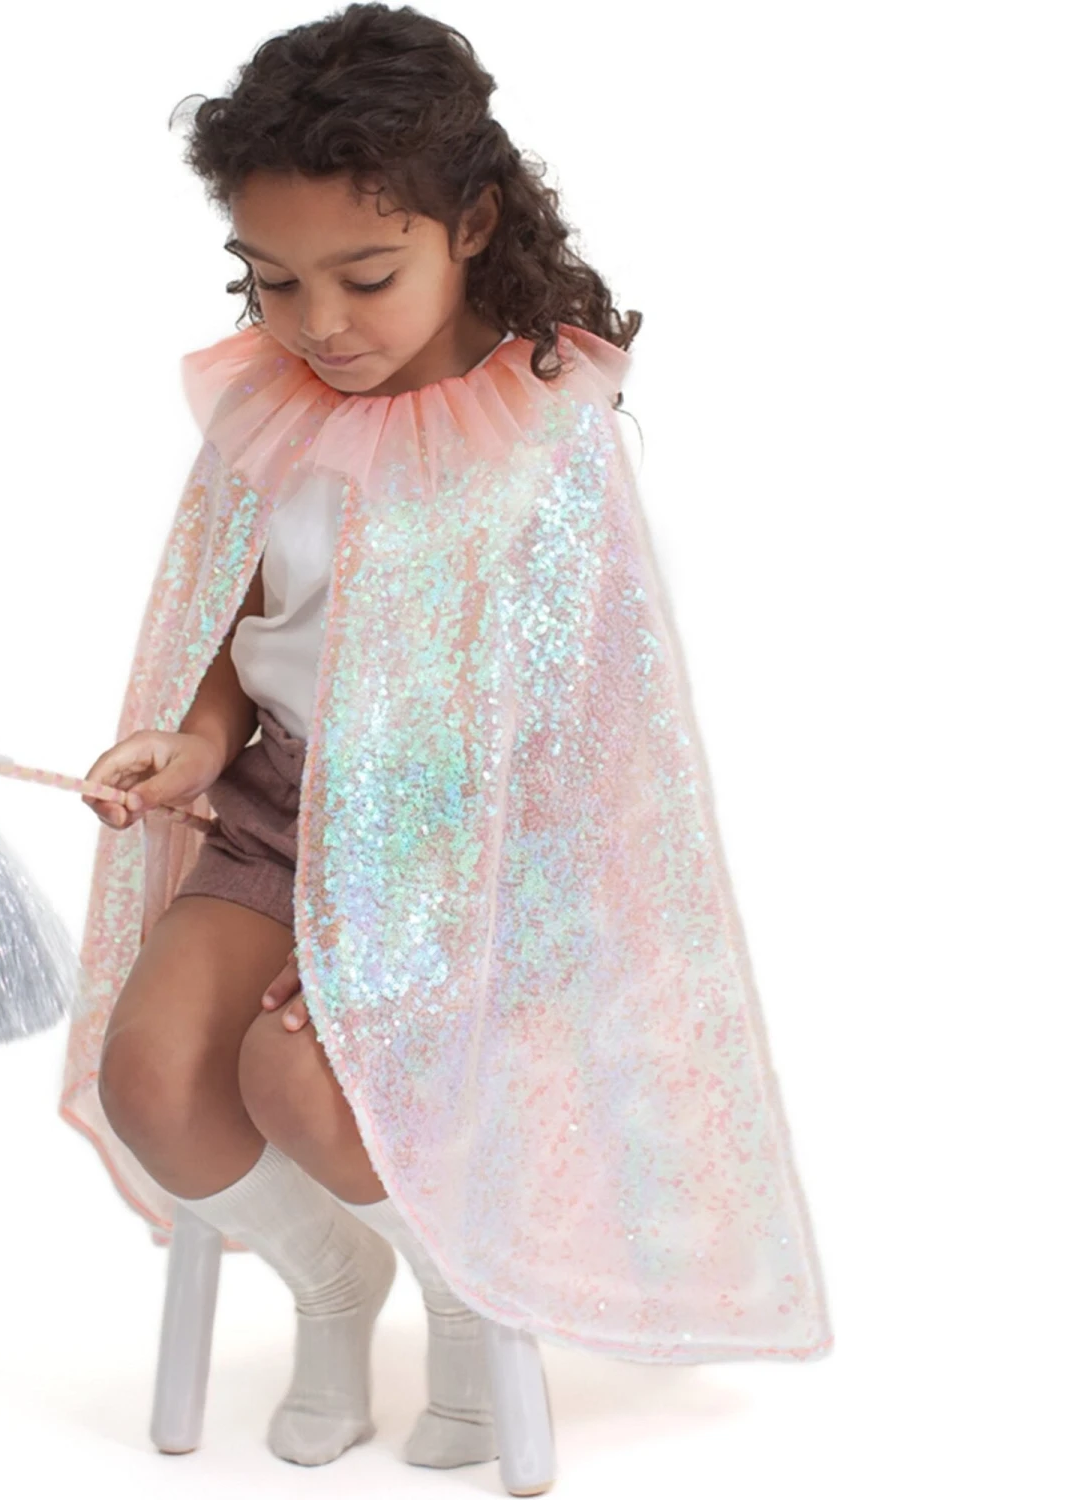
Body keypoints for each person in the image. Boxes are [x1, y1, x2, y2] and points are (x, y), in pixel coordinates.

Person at [65, 0, 834, 1478]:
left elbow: (579, 730)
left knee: (302, 1079)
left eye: (365, 276)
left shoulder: (539, 429)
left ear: (470, 227)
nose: (318, 325)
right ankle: (332, 1281)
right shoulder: (273, 407)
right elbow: (240, 613)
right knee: (150, 1074)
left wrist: (390, 929)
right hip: (284, 810)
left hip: (474, 858)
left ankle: (467, 1294)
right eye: (272, 280)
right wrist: (201, 740)